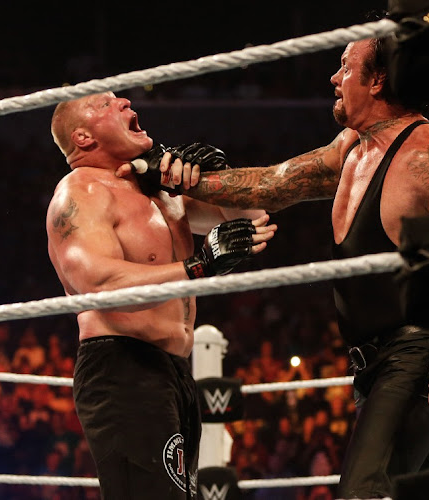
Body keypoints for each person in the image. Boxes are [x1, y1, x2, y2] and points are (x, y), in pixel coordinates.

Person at [119, 38, 429, 498]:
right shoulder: (352, 150)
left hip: (415, 357)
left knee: (363, 492)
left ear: (379, 79)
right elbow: (272, 183)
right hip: (374, 362)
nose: (334, 78)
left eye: (345, 66)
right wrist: (169, 172)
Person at [46, 91, 276, 499]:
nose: (125, 103)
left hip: (174, 372)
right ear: (82, 137)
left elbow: (253, 218)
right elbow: (98, 285)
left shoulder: (162, 195)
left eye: (120, 98)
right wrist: (198, 265)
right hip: (122, 366)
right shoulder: (80, 192)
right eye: (105, 104)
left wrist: (213, 177)